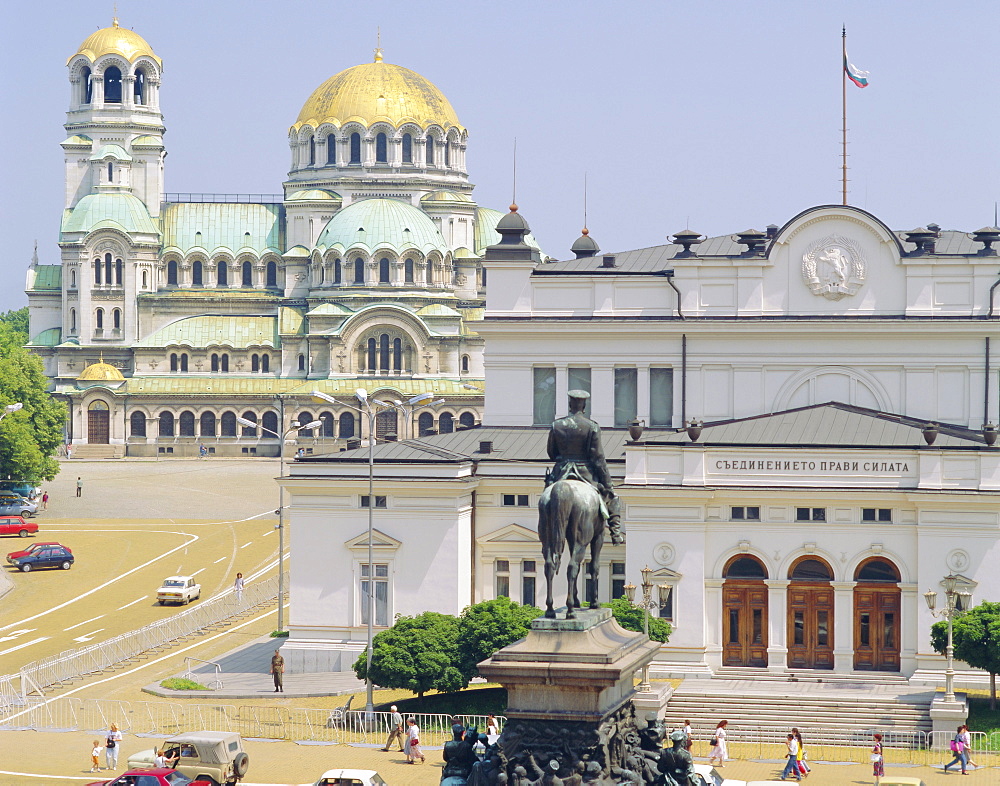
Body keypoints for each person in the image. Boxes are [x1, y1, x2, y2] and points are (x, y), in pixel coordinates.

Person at [545, 390, 624, 545]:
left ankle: (546, 527)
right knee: (612, 497)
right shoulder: (592, 427)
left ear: (569, 404)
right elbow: (598, 458)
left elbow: (552, 452)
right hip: (585, 473)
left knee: (547, 497)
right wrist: (607, 483)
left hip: (560, 472)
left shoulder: (557, 425)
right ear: (584, 405)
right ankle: (615, 532)